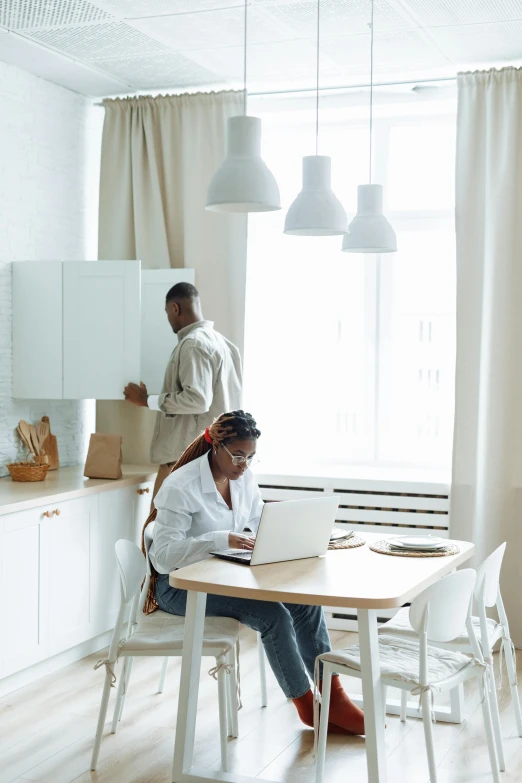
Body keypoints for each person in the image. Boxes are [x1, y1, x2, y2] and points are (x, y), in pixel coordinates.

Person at [144, 410, 365, 735]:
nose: (244, 464)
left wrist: (286, 538)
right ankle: (307, 707)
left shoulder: (241, 478)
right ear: (216, 446)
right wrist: (221, 538)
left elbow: (260, 520)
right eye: (237, 455)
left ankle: (335, 696)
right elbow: (163, 558)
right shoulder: (181, 486)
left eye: (250, 457)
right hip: (178, 588)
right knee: (273, 615)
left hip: (222, 575)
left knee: (304, 604)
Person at [123, 283, 242, 500]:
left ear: (175, 308)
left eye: (167, 312)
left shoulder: (193, 345)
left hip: (185, 460)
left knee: (157, 529)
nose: (168, 318)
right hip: (210, 459)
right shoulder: (226, 345)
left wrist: (146, 400)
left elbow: (197, 399)